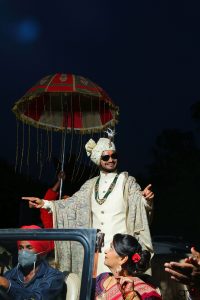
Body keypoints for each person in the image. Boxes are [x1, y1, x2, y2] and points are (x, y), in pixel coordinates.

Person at [22, 132, 154, 275]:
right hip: (95, 251)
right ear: (98, 159)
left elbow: (138, 202)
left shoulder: (127, 182)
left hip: (120, 251)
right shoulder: (90, 185)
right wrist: (45, 203)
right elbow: (70, 205)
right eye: (106, 157)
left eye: (114, 156)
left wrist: (146, 200)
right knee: (95, 289)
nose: (111, 160)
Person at [0, 225, 64, 300]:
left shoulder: (54, 277)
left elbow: (37, 297)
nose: (23, 252)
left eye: (29, 247)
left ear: (40, 251)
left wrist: (9, 285)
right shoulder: (11, 274)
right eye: (21, 248)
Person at [95, 233, 162, 299]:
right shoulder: (102, 278)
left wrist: (130, 295)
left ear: (123, 259)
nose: (106, 251)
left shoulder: (144, 291)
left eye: (111, 248)